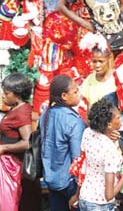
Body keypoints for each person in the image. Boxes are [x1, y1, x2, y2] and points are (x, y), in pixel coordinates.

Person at [0, 73, 40, 210]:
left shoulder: (22, 112)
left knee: (9, 202)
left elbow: (27, 142)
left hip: (13, 167)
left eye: (6, 93)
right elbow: (1, 128)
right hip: (6, 165)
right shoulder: (15, 108)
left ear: (17, 95)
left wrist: (4, 148)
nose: (3, 96)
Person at [74, 98, 123, 210]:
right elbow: (109, 195)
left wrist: (76, 195)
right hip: (100, 204)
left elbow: (84, 166)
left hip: (84, 196)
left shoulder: (87, 133)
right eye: (118, 118)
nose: (121, 120)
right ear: (109, 125)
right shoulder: (109, 150)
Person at [40, 75, 86, 211]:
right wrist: (79, 190)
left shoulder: (45, 115)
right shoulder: (74, 121)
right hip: (69, 183)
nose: (79, 94)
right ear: (64, 95)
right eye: (75, 91)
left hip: (51, 179)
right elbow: (77, 158)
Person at [80, 33, 116, 109]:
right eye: (94, 61)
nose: (97, 65)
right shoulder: (89, 80)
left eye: (101, 61)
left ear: (108, 59)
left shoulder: (116, 79)